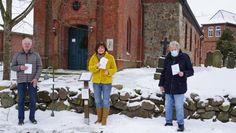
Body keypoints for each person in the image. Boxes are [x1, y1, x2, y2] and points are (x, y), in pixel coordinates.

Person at [158, 41, 194, 132]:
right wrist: (161, 84)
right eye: (171, 49)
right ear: (169, 49)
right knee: (168, 105)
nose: (173, 51)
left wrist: (184, 73)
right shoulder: (167, 58)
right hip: (168, 86)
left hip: (179, 86)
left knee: (178, 106)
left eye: (175, 49)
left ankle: (181, 124)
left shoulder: (184, 57)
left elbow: (191, 71)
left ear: (178, 49)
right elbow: (163, 72)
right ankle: (168, 122)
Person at [11, 37, 42, 125]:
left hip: (33, 81)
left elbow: (40, 67)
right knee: (21, 101)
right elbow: (12, 67)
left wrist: (36, 78)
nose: (27, 45)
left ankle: (32, 118)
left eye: (29, 43)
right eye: (25, 43)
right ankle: (21, 119)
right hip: (21, 81)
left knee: (33, 100)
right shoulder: (17, 55)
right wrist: (20, 67)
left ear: (31, 45)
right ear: (22, 44)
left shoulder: (36, 55)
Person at [88, 42, 117, 125]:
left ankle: (104, 120)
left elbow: (115, 69)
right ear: (97, 49)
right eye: (99, 48)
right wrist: (96, 66)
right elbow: (90, 68)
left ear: (105, 49)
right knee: (97, 100)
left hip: (106, 82)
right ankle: (99, 118)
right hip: (96, 82)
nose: (100, 49)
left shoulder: (110, 57)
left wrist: (109, 72)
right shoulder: (93, 58)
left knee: (105, 101)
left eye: (102, 48)